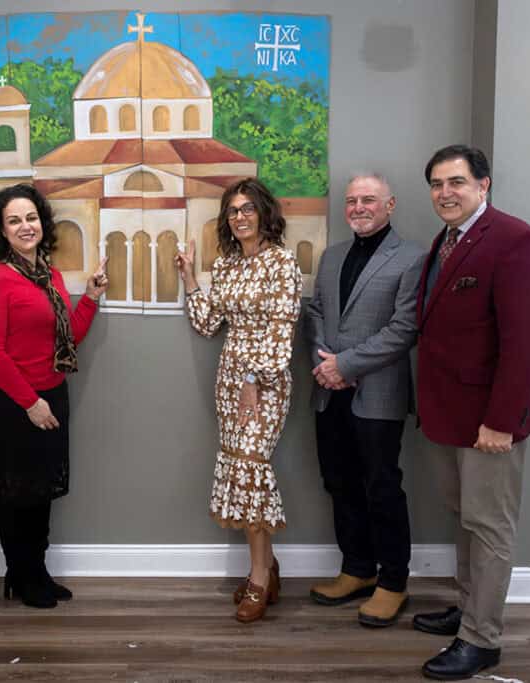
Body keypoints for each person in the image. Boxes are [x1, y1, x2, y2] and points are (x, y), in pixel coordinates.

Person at [413, 145, 530, 680]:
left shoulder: (516, 241)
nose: (445, 193)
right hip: (450, 414)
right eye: (436, 184)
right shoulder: (445, 242)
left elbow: (526, 345)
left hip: (491, 421)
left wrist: (501, 420)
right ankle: (470, 609)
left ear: (483, 184)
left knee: (490, 526)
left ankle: (482, 638)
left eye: (456, 182)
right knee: (466, 519)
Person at [175, 178, 302, 623]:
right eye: (232, 210)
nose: (240, 216)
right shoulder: (226, 266)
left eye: (248, 208)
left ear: (265, 213)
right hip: (228, 378)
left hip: (264, 381)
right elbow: (210, 324)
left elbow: (282, 332)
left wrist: (254, 377)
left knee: (250, 470)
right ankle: (267, 567)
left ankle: (259, 579)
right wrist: (191, 277)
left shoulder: (283, 264)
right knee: (241, 471)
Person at [0, 183, 107, 609]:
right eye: (14, 220)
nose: (25, 226)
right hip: (15, 404)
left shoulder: (48, 274)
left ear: (42, 223)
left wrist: (89, 297)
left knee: (41, 493)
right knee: (17, 495)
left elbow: (66, 335)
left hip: (53, 395)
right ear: (2, 230)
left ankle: (38, 571)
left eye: (30, 217)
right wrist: (30, 403)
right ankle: (21, 575)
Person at [304, 173, 425, 627]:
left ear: (390, 204)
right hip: (328, 391)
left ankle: (393, 581)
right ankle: (356, 569)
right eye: (351, 200)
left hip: (377, 393)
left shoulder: (412, 258)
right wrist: (325, 361)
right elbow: (315, 311)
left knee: (381, 487)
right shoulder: (332, 257)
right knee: (339, 482)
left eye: (368, 199)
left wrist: (347, 365)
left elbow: (404, 328)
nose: (358, 207)